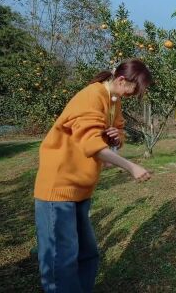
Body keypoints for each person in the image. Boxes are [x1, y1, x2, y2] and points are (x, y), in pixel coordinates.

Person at [34, 58, 153, 292]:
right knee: (62, 260)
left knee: (88, 254)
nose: (134, 94)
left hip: (82, 188)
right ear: (121, 80)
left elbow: (116, 130)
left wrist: (115, 138)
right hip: (58, 188)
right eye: (134, 89)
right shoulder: (91, 96)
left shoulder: (114, 99)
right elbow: (91, 146)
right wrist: (131, 167)